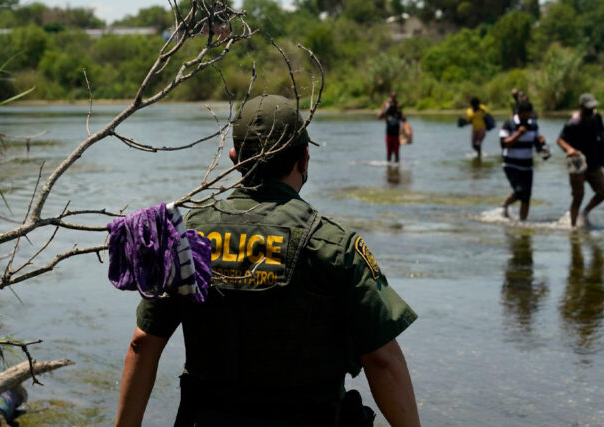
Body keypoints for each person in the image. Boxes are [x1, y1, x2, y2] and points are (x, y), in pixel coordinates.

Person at [116, 94, 421, 427]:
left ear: (234, 160)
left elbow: (143, 344)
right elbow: (382, 362)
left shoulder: (185, 236)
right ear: (304, 159)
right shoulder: (335, 245)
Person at [556, 93, 604, 227]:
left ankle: (585, 212)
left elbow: (603, 136)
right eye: (588, 108)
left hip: (594, 162)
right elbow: (560, 140)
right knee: (578, 197)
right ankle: (573, 228)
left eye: (592, 108)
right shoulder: (572, 123)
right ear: (581, 106)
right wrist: (569, 150)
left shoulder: (596, 118)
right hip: (577, 162)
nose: (591, 111)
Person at [499, 101, 549, 220]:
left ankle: (522, 223)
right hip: (511, 164)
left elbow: (537, 144)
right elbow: (503, 144)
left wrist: (542, 146)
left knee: (526, 196)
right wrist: (518, 134)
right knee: (520, 191)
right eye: (526, 114)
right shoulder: (509, 124)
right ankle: (505, 205)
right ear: (519, 113)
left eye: (530, 114)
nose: (528, 117)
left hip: (527, 166)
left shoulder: (533, 125)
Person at [378, 91, 405, 163]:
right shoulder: (386, 105)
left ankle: (396, 169)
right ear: (389, 96)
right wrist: (386, 108)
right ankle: (389, 170)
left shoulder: (398, 106)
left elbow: (404, 119)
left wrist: (398, 111)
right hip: (389, 134)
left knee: (396, 153)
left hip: (396, 134)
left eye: (394, 97)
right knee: (389, 153)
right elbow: (379, 116)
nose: (393, 99)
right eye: (392, 97)